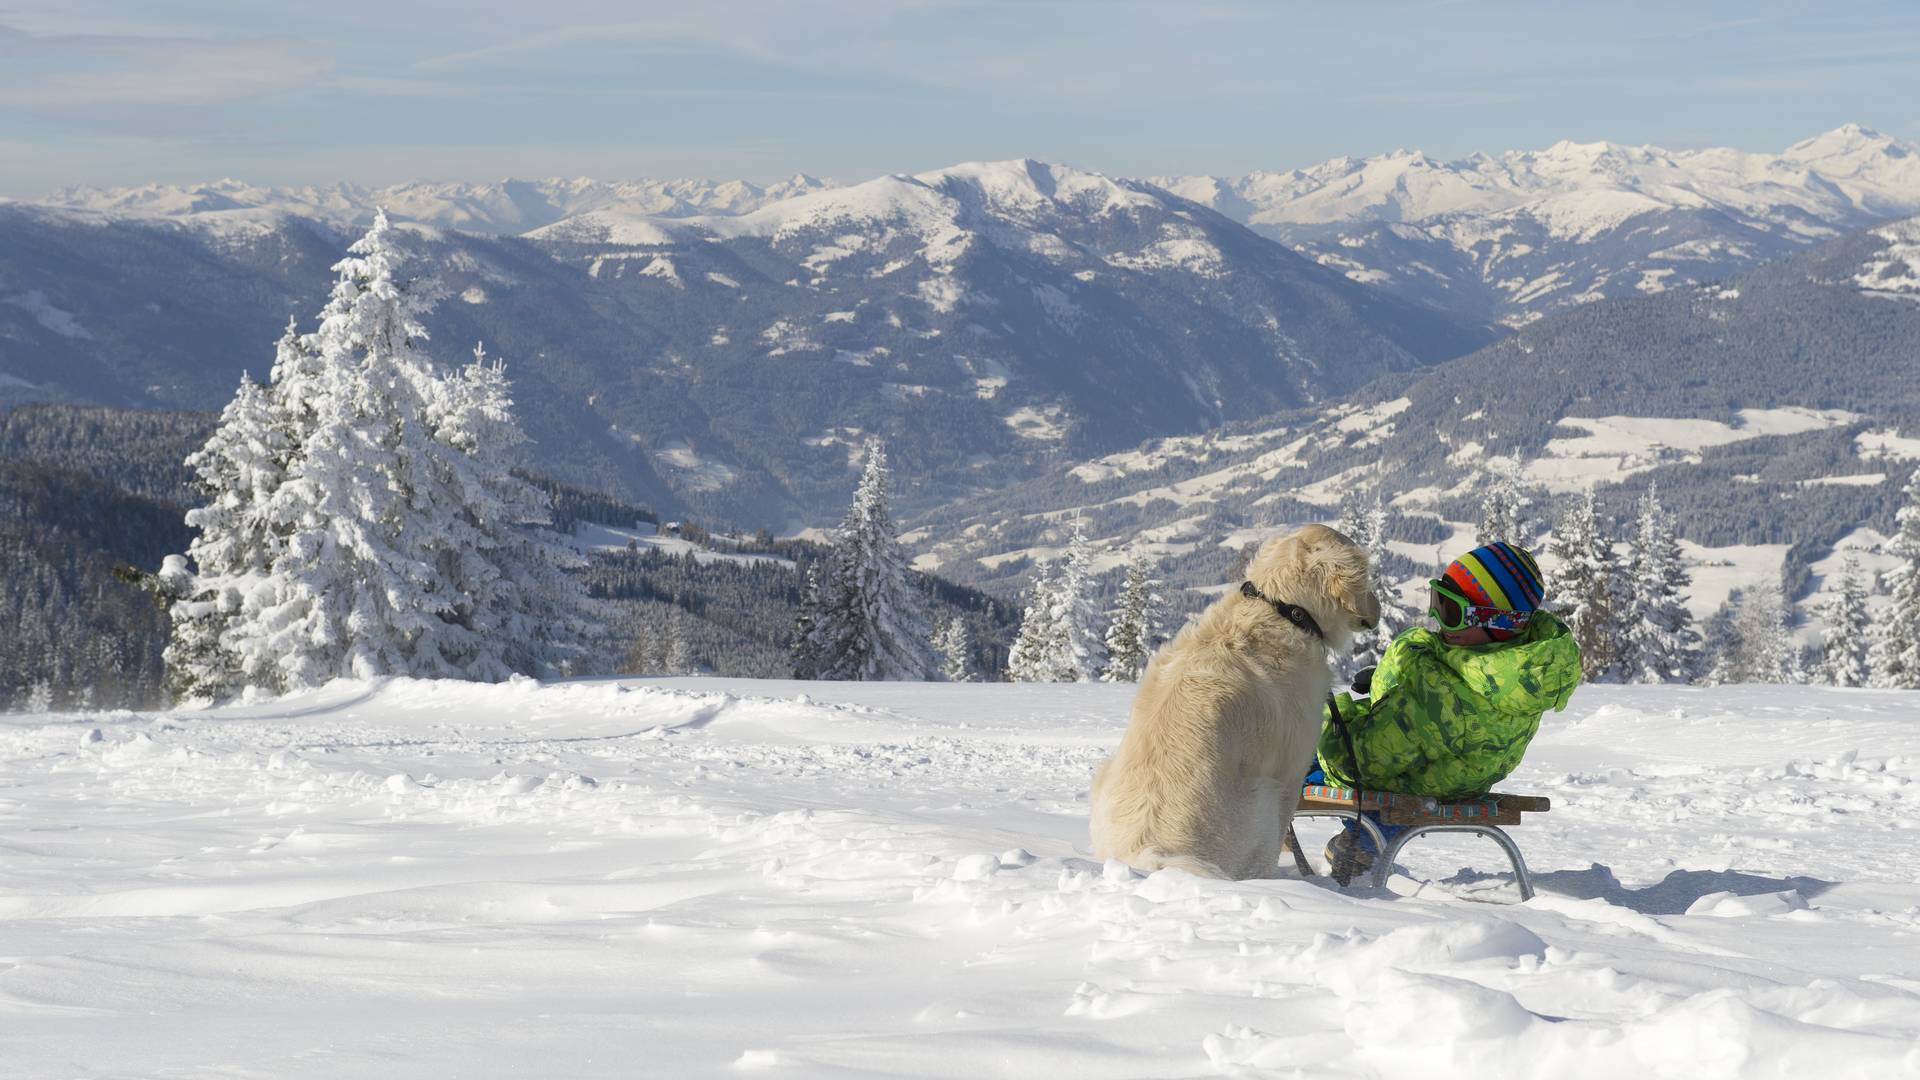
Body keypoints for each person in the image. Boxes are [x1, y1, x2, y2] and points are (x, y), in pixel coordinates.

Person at [1307, 540, 1582, 883]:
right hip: (1453, 778)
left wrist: (1323, 711)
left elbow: (1354, 763)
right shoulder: (1522, 674)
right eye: (1436, 601)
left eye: (1449, 610)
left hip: (1399, 782)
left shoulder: (1443, 697)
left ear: (1495, 622)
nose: (1437, 618)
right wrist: (1390, 679)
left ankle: (1276, 833)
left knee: (1290, 751)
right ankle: (1362, 840)